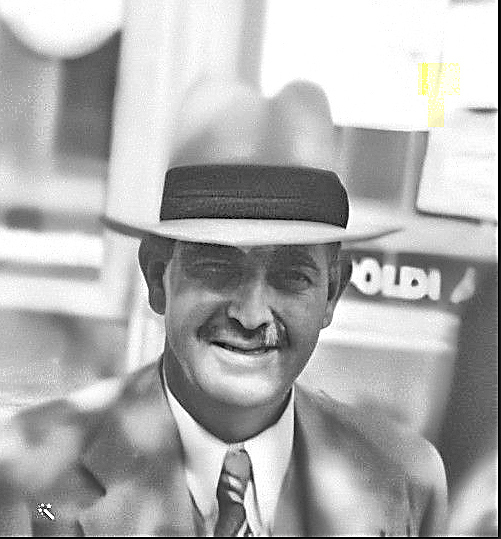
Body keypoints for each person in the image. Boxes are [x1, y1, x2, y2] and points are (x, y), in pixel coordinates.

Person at [0, 83, 447, 537]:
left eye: (291, 276)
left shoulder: (403, 480)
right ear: (157, 276)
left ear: (331, 293)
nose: (251, 316)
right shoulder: (33, 474)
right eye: (218, 269)